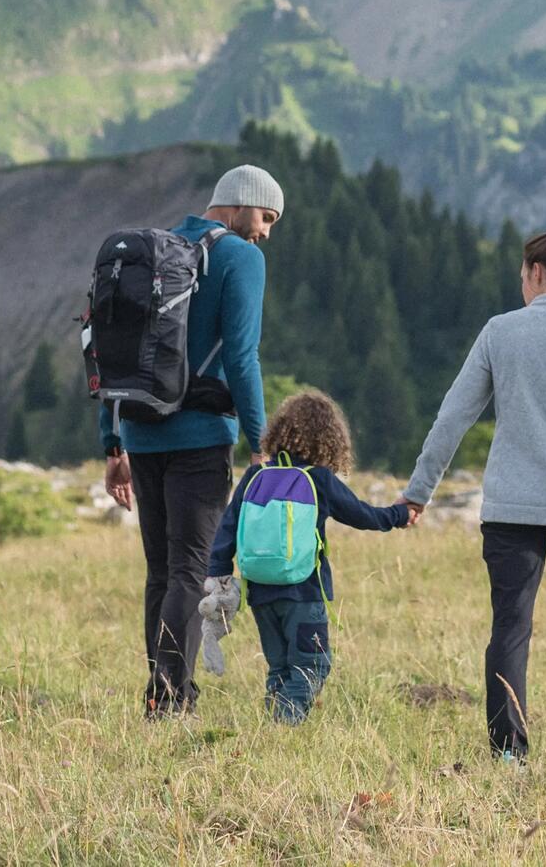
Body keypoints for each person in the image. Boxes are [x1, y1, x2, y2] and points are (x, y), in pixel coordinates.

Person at [401, 225, 546, 760]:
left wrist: (419, 491)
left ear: (535, 272)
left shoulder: (499, 332)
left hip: (510, 505)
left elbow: (453, 416)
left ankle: (509, 751)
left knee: (511, 624)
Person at [101, 163, 282, 717]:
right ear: (240, 202)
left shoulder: (150, 252)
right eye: (267, 216)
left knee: (161, 570)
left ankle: (163, 687)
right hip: (201, 436)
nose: (267, 231)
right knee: (191, 571)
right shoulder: (240, 257)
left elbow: (113, 348)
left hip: (139, 430)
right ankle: (170, 697)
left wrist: (112, 442)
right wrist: (260, 442)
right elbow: (242, 356)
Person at [206, 391, 416, 723]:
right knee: (313, 665)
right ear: (329, 439)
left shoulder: (254, 476)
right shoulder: (318, 479)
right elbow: (362, 515)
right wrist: (400, 516)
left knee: (280, 667)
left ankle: (274, 733)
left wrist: (217, 574)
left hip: (259, 591)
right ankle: (285, 723)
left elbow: (227, 527)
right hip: (303, 592)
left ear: (278, 432)